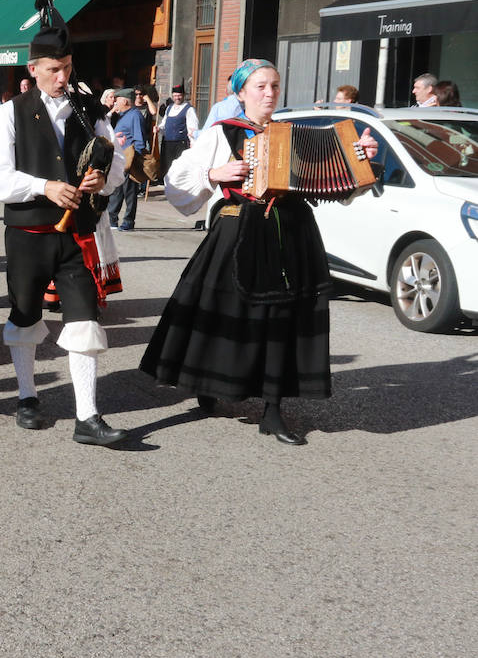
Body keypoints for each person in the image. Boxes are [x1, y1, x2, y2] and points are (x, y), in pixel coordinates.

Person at [140, 58, 378, 446]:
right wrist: (212, 174)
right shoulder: (223, 133)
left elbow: (339, 186)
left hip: (292, 235)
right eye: (260, 86)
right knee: (226, 317)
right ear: (240, 93)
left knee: (282, 321)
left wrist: (361, 159)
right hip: (238, 233)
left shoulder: (294, 135)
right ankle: (210, 380)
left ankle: (272, 409)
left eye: (275, 86)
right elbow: (177, 181)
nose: (269, 93)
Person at [0, 0, 129, 448]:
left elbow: (115, 164)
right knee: (24, 317)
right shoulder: (9, 114)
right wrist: (44, 186)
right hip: (28, 234)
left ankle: (88, 416)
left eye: (66, 68)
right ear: (33, 70)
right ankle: (27, 397)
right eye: (53, 69)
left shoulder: (89, 113)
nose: (62, 76)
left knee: (84, 321)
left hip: (77, 235)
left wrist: (99, 180)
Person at [106, 89, 146, 231]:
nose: (115, 102)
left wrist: (136, 161)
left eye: (118, 99)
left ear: (125, 101)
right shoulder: (123, 116)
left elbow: (139, 139)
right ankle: (112, 220)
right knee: (117, 190)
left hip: (129, 159)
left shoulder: (135, 115)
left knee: (129, 193)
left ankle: (128, 222)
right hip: (119, 159)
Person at [159, 82, 199, 175]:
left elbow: (193, 128)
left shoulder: (189, 109)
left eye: (179, 95)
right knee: (167, 168)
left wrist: (193, 143)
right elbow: (164, 124)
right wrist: (158, 128)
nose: (177, 98)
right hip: (167, 144)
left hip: (181, 144)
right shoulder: (169, 108)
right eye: (175, 95)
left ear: (183, 95)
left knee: (179, 169)